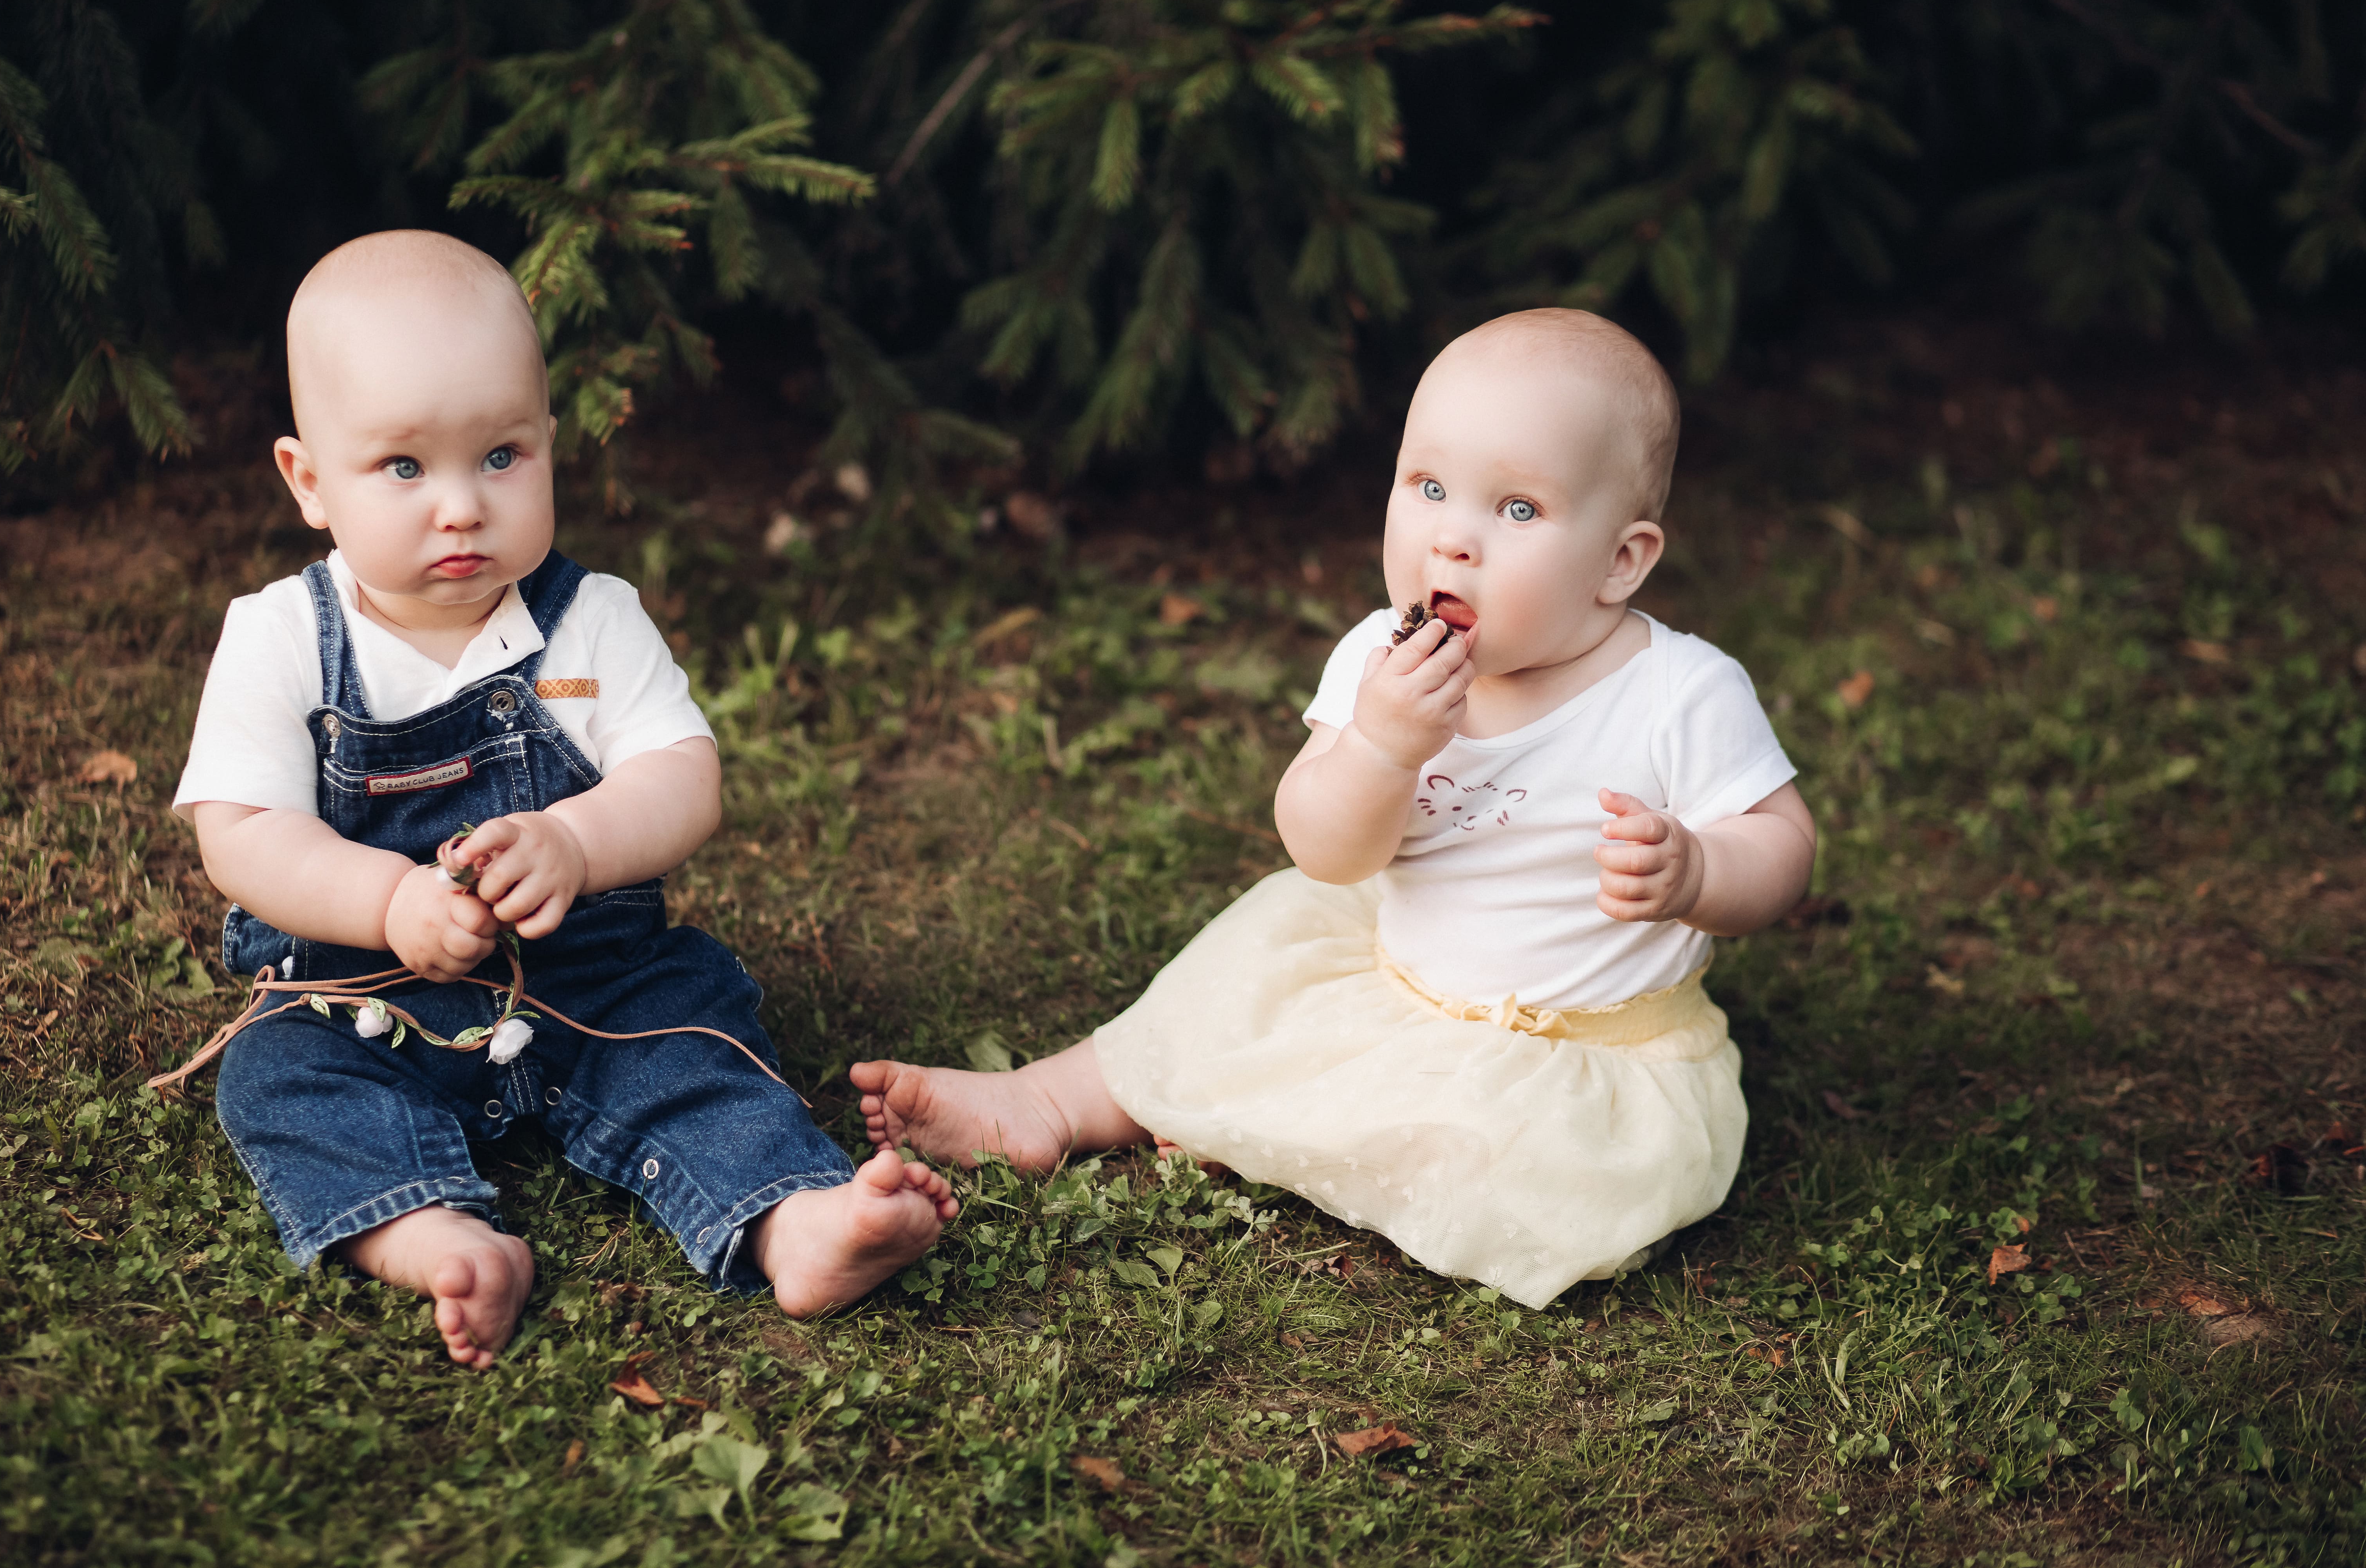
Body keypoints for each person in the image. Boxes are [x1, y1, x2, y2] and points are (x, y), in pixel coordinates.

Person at [851, 309, 1813, 1308]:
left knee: (1515, 1164)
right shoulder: (1377, 661)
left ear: (1623, 559)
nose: (1454, 536)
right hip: (1394, 973)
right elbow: (1326, 850)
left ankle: (1271, 1128)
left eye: (1518, 510)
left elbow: (1784, 845)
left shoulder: (1679, 693)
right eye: (1430, 487)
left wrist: (1700, 869)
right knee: (1232, 989)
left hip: (1579, 1044)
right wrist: (1382, 745)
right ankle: (1049, 1098)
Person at [173, 230, 955, 1367]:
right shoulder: (283, 637)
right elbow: (241, 835)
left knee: (690, 1038)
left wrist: (580, 840)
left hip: (594, 981)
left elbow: (683, 775)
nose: (461, 507)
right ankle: (432, 1234)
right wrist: (388, 899)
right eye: (404, 468)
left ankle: (799, 1219)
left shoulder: (584, 631)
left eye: (501, 456)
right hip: (368, 991)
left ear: (548, 445)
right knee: (282, 1075)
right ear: (308, 481)